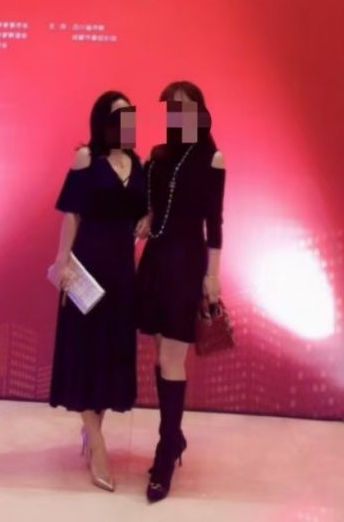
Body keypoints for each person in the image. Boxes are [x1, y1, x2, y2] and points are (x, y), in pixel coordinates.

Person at [48, 91, 146, 492]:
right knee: (83, 353)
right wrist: (62, 262)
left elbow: (143, 210)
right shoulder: (86, 157)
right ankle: (98, 444)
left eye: (129, 115)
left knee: (110, 355)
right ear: (102, 121)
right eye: (117, 115)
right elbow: (72, 214)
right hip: (88, 266)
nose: (125, 122)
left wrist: (147, 219)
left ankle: (93, 432)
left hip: (123, 272)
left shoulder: (138, 164)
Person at [135, 80, 226, 503]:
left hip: (187, 264)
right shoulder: (158, 156)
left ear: (201, 111)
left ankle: (166, 451)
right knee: (161, 354)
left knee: (172, 357)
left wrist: (213, 276)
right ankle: (173, 436)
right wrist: (145, 219)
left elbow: (215, 223)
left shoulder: (212, 158)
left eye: (186, 106)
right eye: (172, 107)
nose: (179, 114)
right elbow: (153, 210)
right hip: (155, 260)